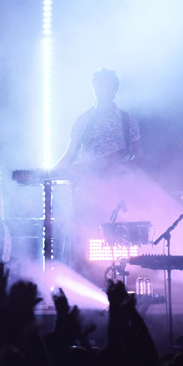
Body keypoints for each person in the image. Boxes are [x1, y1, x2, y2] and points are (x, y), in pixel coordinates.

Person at [54, 69, 142, 272]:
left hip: (119, 193)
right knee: (81, 240)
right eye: (97, 85)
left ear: (114, 90)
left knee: (120, 241)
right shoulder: (83, 120)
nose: (100, 90)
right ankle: (77, 280)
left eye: (106, 85)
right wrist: (49, 173)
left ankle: (121, 282)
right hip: (87, 191)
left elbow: (139, 158)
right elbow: (69, 156)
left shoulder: (127, 121)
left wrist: (125, 167)